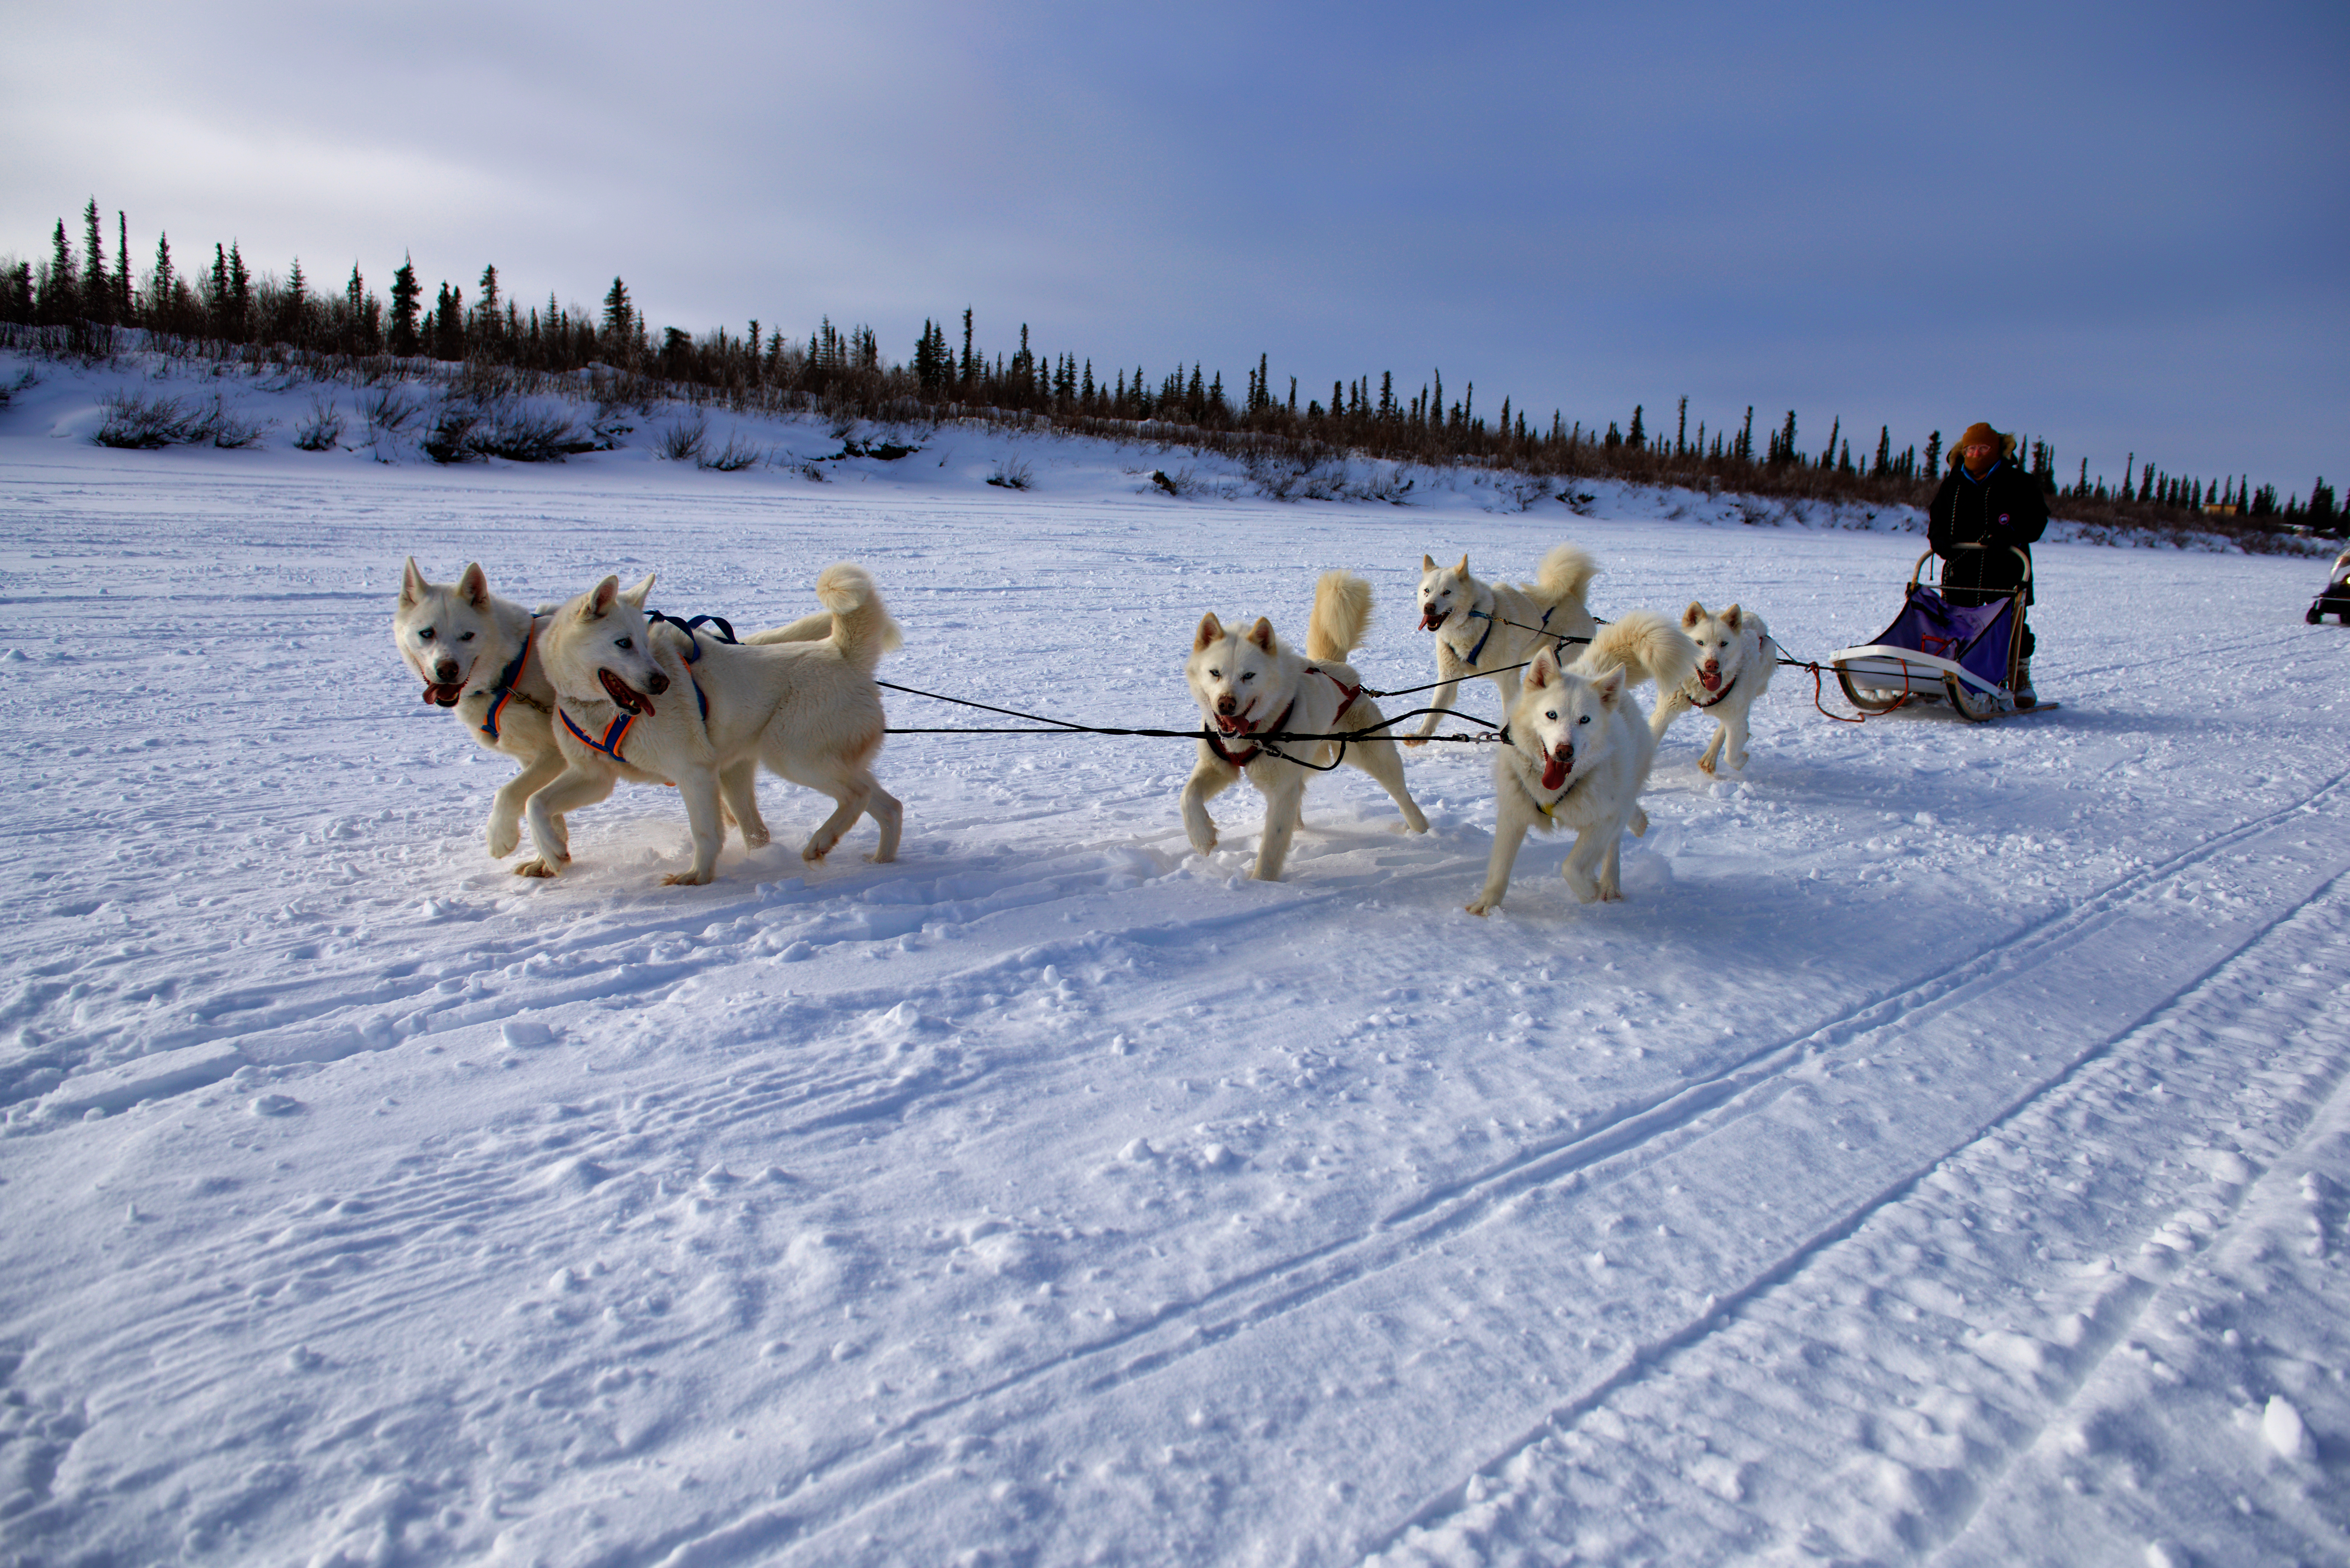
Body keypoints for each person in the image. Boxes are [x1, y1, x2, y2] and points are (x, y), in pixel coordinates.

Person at [1928, 421, 2048, 707]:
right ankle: (1950, 676)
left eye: (1983, 448)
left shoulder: (2019, 482)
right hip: (1962, 567)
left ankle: (2019, 677)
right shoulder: (1953, 485)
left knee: (2011, 624)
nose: (1976, 454)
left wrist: (2011, 533)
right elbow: (1937, 519)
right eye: (1971, 448)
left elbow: (2037, 520)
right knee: (1955, 623)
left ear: (1997, 451)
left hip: (2005, 567)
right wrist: (1939, 539)